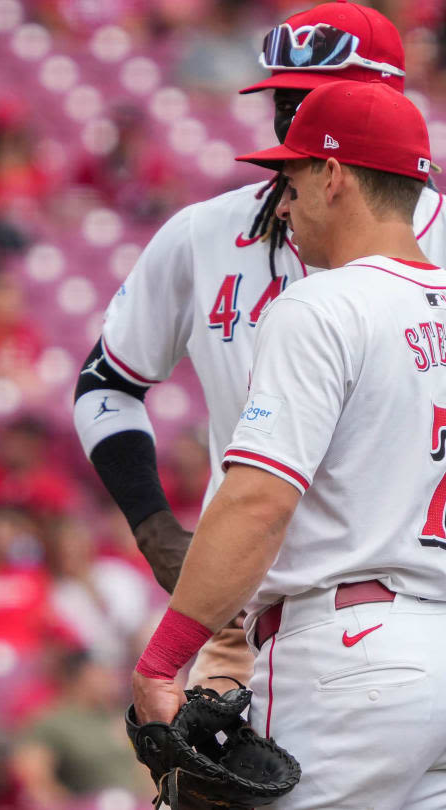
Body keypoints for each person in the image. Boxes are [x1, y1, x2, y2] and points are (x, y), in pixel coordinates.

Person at [73, 0, 446, 689]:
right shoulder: (204, 233)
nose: (290, 117)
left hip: (416, 598)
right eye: (283, 95)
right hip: (246, 616)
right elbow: (106, 385)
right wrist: (154, 524)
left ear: (385, 103)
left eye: (313, 97)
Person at [133, 78, 446, 809]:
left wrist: (163, 661)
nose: (282, 202)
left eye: (292, 178)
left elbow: (257, 502)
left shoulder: (322, 304)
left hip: (347, 663)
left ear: (334, 176)